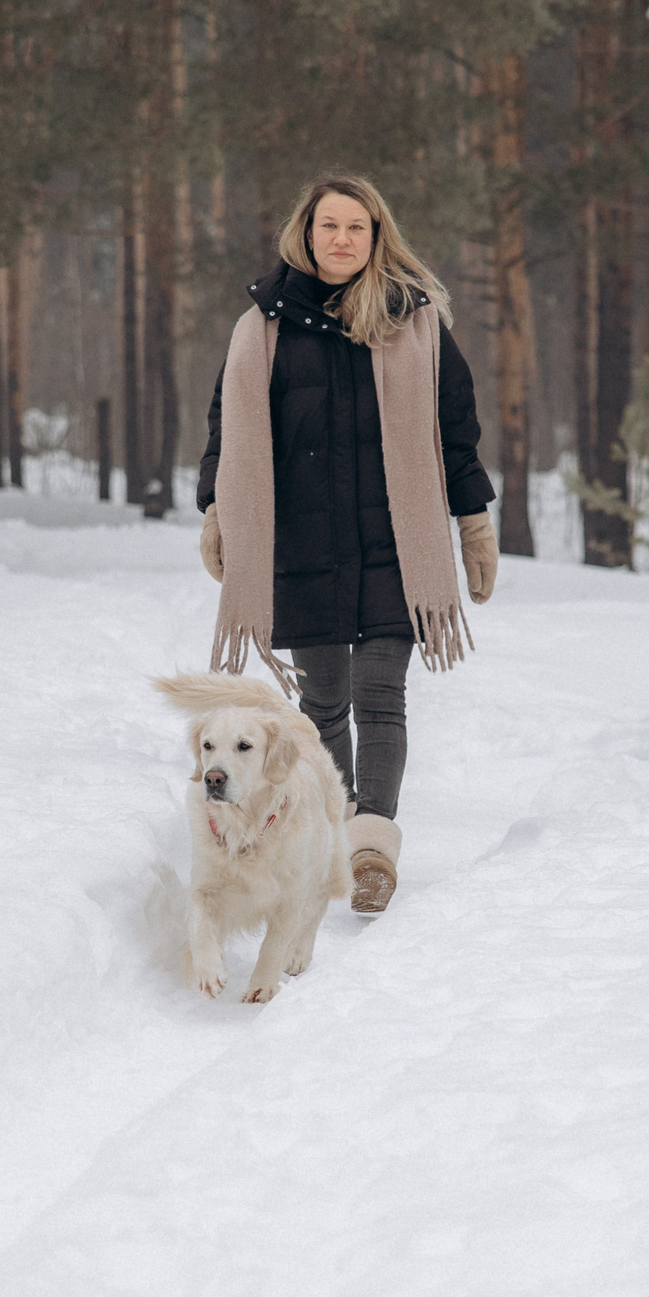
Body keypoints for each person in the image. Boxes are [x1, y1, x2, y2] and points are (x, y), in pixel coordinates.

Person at [196, 174, 498, 915]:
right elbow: (227, 429)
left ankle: (371, 850)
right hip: (301, 541)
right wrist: (216, 510)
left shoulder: (415, 323)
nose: (342, 239)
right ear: (305, 234)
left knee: (380, 694)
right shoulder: (262, 328)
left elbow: (456, 430)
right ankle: (338, 831)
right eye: (329, 225)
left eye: (356, 227)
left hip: (396, 541)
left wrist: (474, 521)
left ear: (376, 236)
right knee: (324, 702)